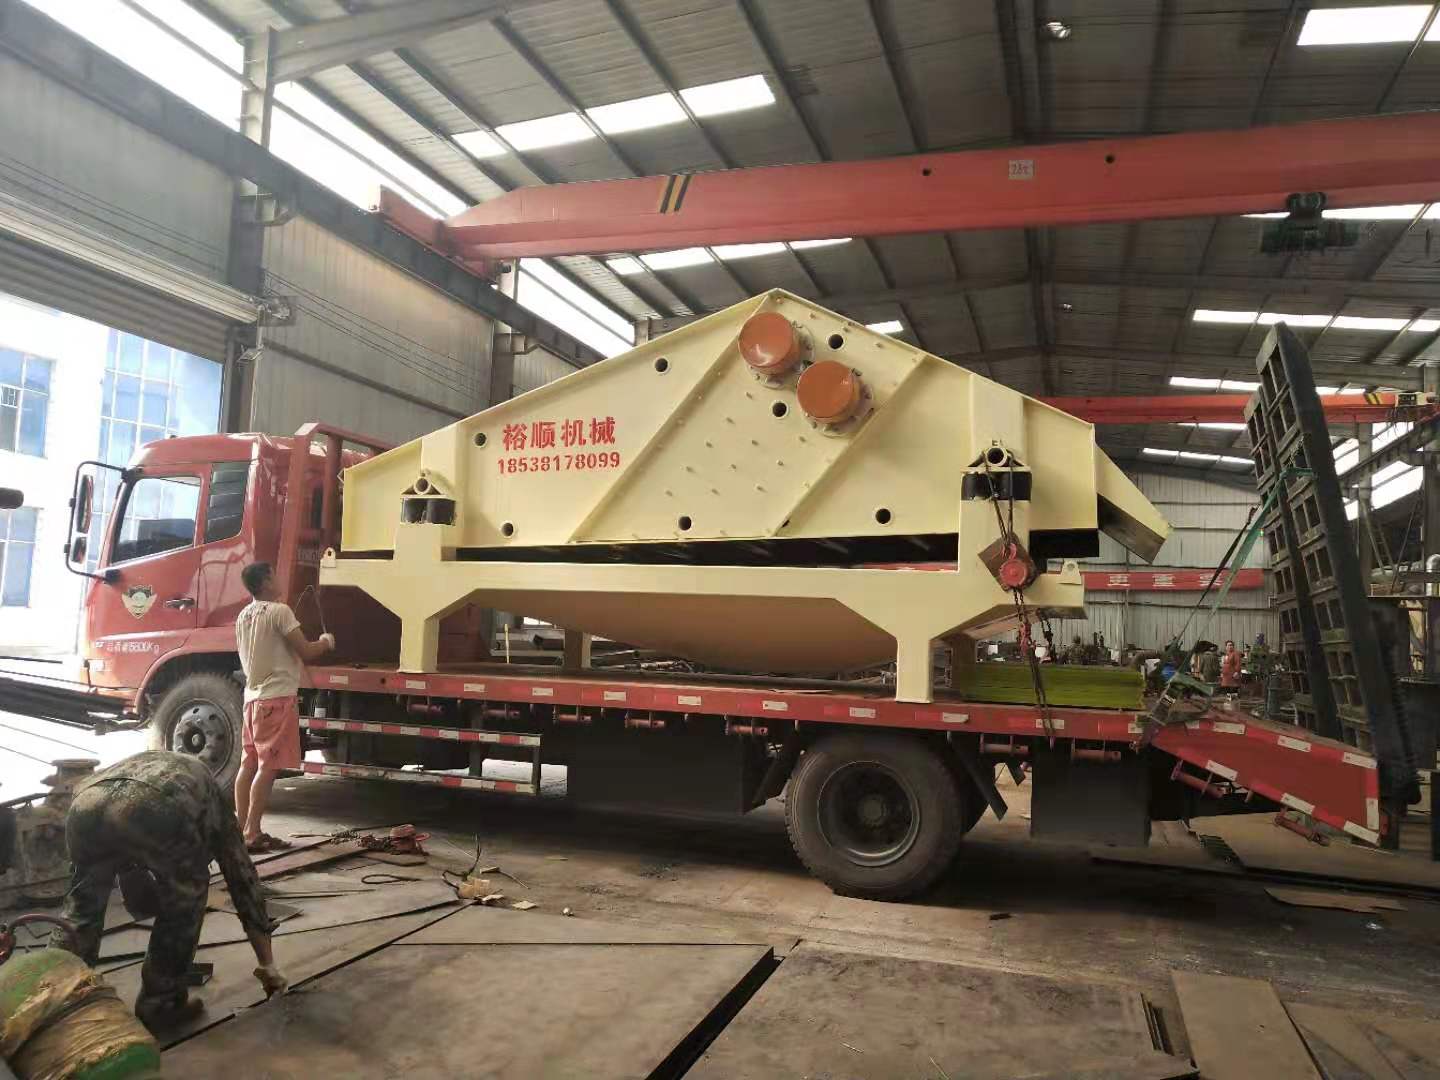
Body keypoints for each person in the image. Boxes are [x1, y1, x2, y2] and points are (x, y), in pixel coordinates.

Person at [51, 751, 285, 1030]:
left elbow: (128, 859)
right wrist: (267, 964)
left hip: (86, 803)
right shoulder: (215, 807)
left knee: (82, 907)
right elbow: (242, 879)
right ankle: (161, 1003)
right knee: (185, 898)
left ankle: (55, 996)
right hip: (152, 806)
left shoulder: (166, 766)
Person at [235, 562, 334, 853]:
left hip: (252, 699)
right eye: (274, 575)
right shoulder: (280, 612)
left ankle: (240, 830)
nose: (279, 580)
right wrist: (325, 642)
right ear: (266, 581)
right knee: (268, 767)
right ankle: (252, 832)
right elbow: (306, 650)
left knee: (249, 763)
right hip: (276, 699)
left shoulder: (243, 615)